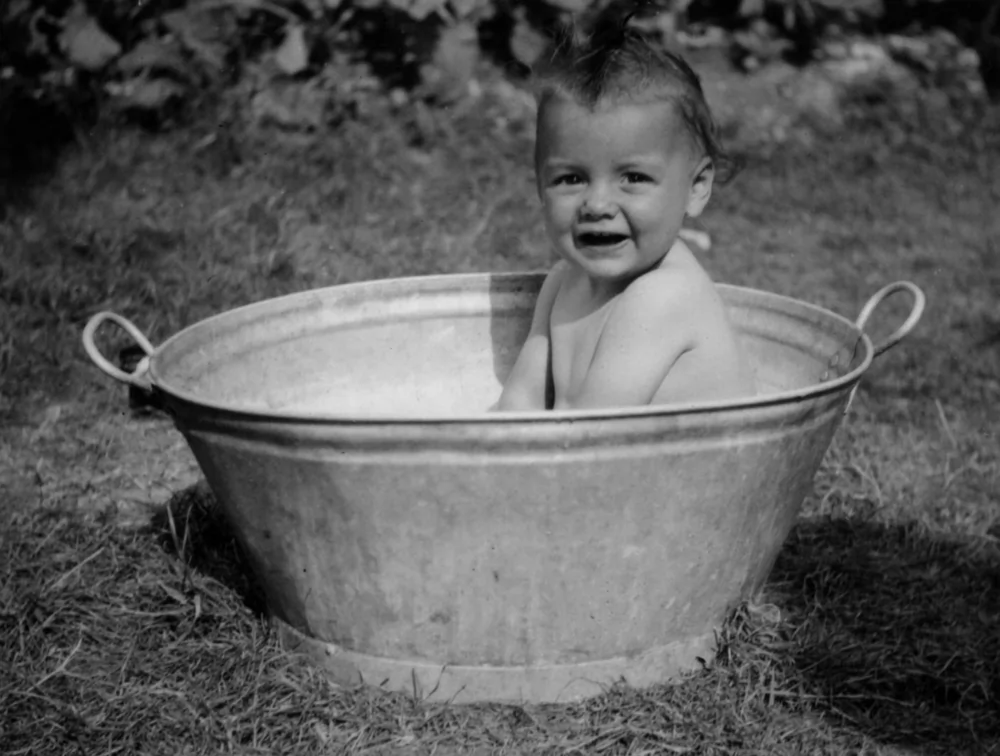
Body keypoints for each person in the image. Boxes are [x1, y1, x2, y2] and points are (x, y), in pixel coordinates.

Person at [496, 4, 757, 412]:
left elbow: (595, 435)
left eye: (633, 178)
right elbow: (520, 399)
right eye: (571, 179)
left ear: (696, 188)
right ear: (540, 187)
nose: (597, 204)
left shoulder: (662, 296)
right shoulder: (561, 282)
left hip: (681, 472)